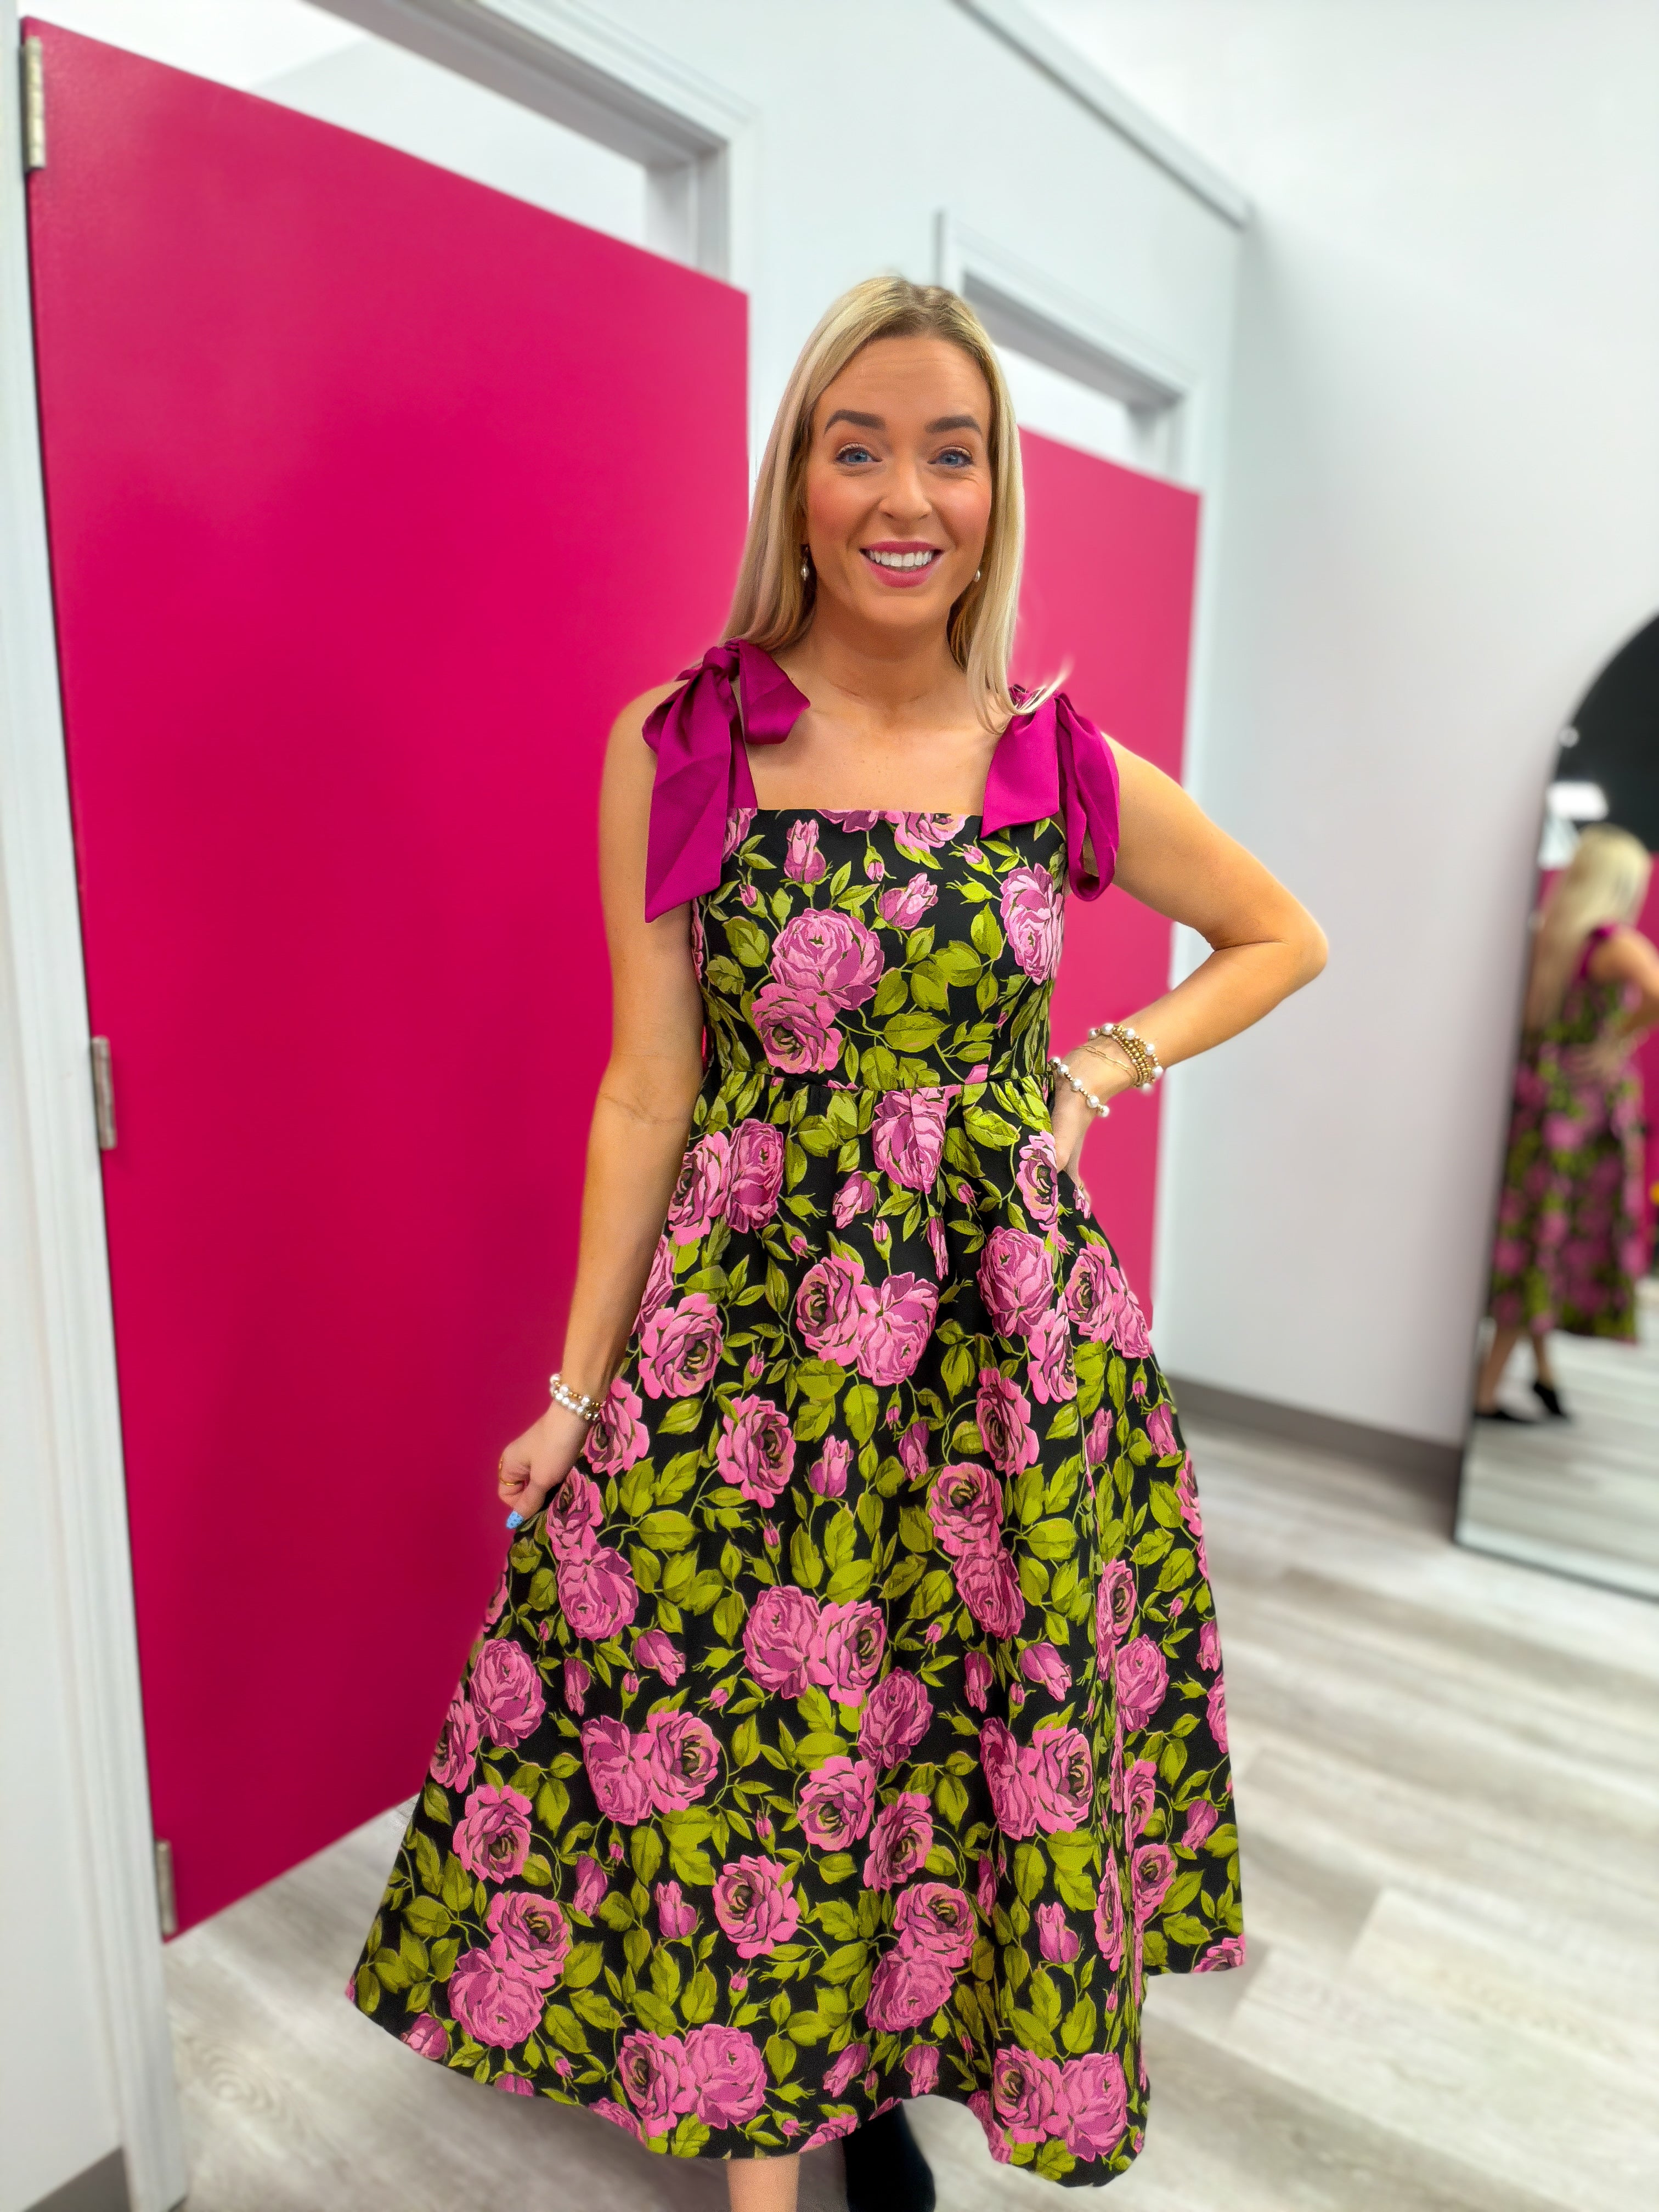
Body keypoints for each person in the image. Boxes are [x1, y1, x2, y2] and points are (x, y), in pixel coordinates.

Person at [349, 277, 1326, 2207]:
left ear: (996, 487)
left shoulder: (1056, 760)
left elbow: (1279, 936)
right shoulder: (685, 740)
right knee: (749, 1738)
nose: (904, 496)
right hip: (749, 1360)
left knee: (943, 1729)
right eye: (855, 446)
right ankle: (776, 2140)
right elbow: (651, 1092)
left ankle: (876, 2079)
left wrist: (1098, 1067)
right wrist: (574, 1388)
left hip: (999, 1349)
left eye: (950, 453)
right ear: (795, 478)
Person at [1480, 822, 1659, 1420]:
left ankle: (1544, 1375)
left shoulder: (1549, 936)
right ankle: (1486, 1390)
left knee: (1535, 1237)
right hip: (1582, 1117)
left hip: (1536, 1104)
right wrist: (1617, 1041)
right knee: (1544, 1246)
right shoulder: (1612, 942)